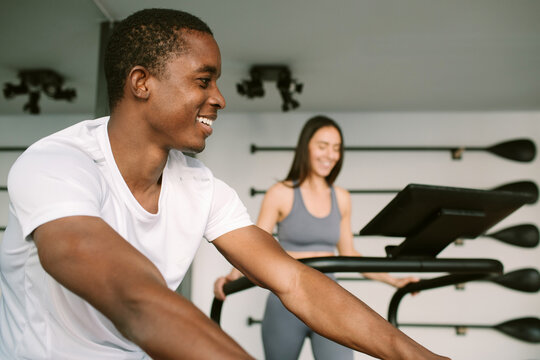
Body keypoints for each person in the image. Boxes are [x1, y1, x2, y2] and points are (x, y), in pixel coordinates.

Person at [0, 8, 449, 360]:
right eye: (203, 80)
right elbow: (134, 297)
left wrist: (414, 354)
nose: (219, 98)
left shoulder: (201, 187)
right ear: (142, 82)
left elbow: (294, 280)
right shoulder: (58, 163)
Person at [214, 116, 421, 360]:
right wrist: (230, 278)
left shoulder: (342, 198)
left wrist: (395, 282)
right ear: (306, 147)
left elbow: (349, 254)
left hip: (330, 301)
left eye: (336, 148)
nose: (330, 155)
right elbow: (252, 247)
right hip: (285, 303)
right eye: (323, 146)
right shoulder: (280, 194)